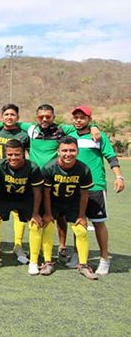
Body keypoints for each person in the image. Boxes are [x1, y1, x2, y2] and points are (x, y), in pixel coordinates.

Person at [0, 103, 101, 262]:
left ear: (53, 117)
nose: (44, 119)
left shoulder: (62, 130)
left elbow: (80, 126)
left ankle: (62, 248)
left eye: (48, 116)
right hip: (32, 178)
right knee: (38, 216)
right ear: (36, 117)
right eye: (41, 117)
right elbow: (12, 121)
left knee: (59, 217)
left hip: (54, 177)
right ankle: (35, 251)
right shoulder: (32, 129)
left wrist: (94, 127)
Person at [66, 106, 125, 275]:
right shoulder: (69, 136)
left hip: (95, 186)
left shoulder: (98, 136)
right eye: (76, 117)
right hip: (75, 186)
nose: (78, 120)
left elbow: (111, 157)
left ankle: (104, 259)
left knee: (98, 223)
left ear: (89, 120)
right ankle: (78, 255)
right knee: (78, 221)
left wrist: (119, 177)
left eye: (82, 117)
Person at [41, 136, 97, 279]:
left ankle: (83, 265)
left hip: (73, 203)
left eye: (72, 150)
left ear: (77, 151)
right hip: (53, 202)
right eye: (64, 150)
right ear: (58, 151)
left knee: (81, 230)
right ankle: (48, 262)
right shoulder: (49, 167)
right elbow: (46, 193)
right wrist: (47, 213)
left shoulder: (83, 169)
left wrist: (81, 215)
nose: (68, 154)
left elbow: (84, 194)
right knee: (47, 226)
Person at [0, 139, 43, 272]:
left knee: (35, 224)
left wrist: (35, 213)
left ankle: (34, 262)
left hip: (25, 199)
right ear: (6, 153)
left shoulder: (33, 167)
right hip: (4, 198)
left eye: (17, 154)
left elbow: (37, 192)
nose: (13, 157)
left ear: (23, 153)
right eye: (10, 154)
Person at [0, 104, 31, 264]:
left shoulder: (24, 134)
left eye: (12, 115)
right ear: (1, 117)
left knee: (18, 212)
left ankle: (18, 245)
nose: (9, 117)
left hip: (16, 176)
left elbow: (29, 153)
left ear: (18, 117)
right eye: (6, 114)